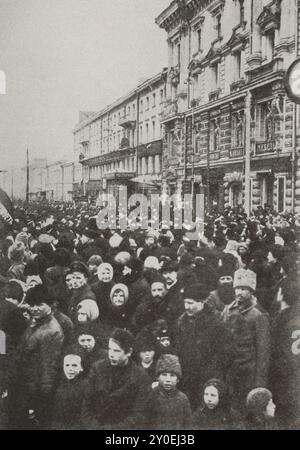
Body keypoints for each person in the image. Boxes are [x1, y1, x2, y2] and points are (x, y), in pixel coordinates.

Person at [10, 284, 64, 429]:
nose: (34, 308)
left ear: (51, 305)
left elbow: (49, 366)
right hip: (25, 383)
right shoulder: (37, 322)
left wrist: (42, 397)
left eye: (39, 304)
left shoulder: (52, 331)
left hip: (33, 389)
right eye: (32, 304)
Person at [222, 269, 271, 413]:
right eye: (237, 288)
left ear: (251, 291)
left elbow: (263, 352)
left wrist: (259, 383)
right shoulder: (228, 310)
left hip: (248, 374)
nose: (239, 292)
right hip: (231, 370)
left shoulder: (259, 315)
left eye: (243, 289)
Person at [81, 328, 151, 429]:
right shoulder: (97, 368)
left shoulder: (140, 376)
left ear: (129, 352)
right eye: (110, 349)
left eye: (117, 351)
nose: (111, 354)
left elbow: (139, 414)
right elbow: (86, 404)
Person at [174, 284, 230, 409]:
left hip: (207, 379)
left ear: (202, 302)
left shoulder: (216, 321)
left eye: (190, 303)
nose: (186, 307)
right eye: (185, 302)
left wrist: (211, 374)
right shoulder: (181, 322)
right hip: (186, 378)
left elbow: (224, 353)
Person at [142, 354, 192, 430]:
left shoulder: (183, 399)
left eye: (172, 375)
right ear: (158, 377)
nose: (168, 379)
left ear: (177, 379)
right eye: (164, 374)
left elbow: (187, 425)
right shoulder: (151, 396)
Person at [51, 349, 87, 430]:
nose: (70, 369)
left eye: (74, 365)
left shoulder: (86, 385)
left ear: (81, 368)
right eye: (67, 365)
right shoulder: (58, 384)